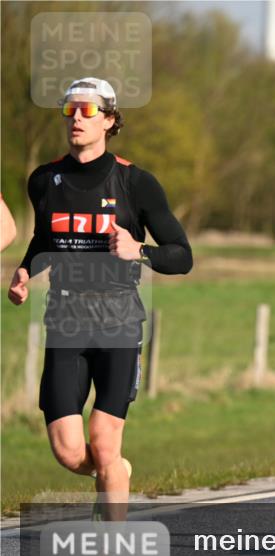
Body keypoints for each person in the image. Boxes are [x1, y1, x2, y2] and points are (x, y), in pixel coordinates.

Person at [8, 78, 193, 520]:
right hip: (66, 318)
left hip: (118, 319)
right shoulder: (44, 181)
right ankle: (114, 475)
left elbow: (182, 256)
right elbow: (42, 241)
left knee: (105, 441)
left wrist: (140, 251)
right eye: (69, 110)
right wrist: (24, 271)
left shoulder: (136, 182)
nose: (76, 118)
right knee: (70, 452)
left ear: (110, 120)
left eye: (88, 111)